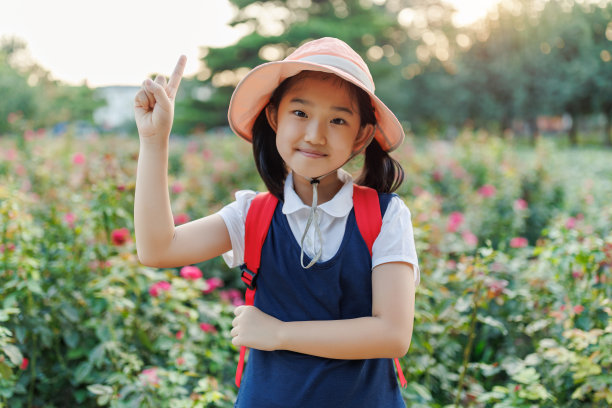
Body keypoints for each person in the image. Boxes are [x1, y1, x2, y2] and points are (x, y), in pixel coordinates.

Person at [134, 37, 420, 407]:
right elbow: (158, 249)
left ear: (361, 135)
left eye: (337, 120)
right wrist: (155, 140)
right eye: (300, 113)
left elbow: (393, 334)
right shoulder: (252, 214)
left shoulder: (384, 217)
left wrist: (279, 333)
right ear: (274, 117)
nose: (315, 135)